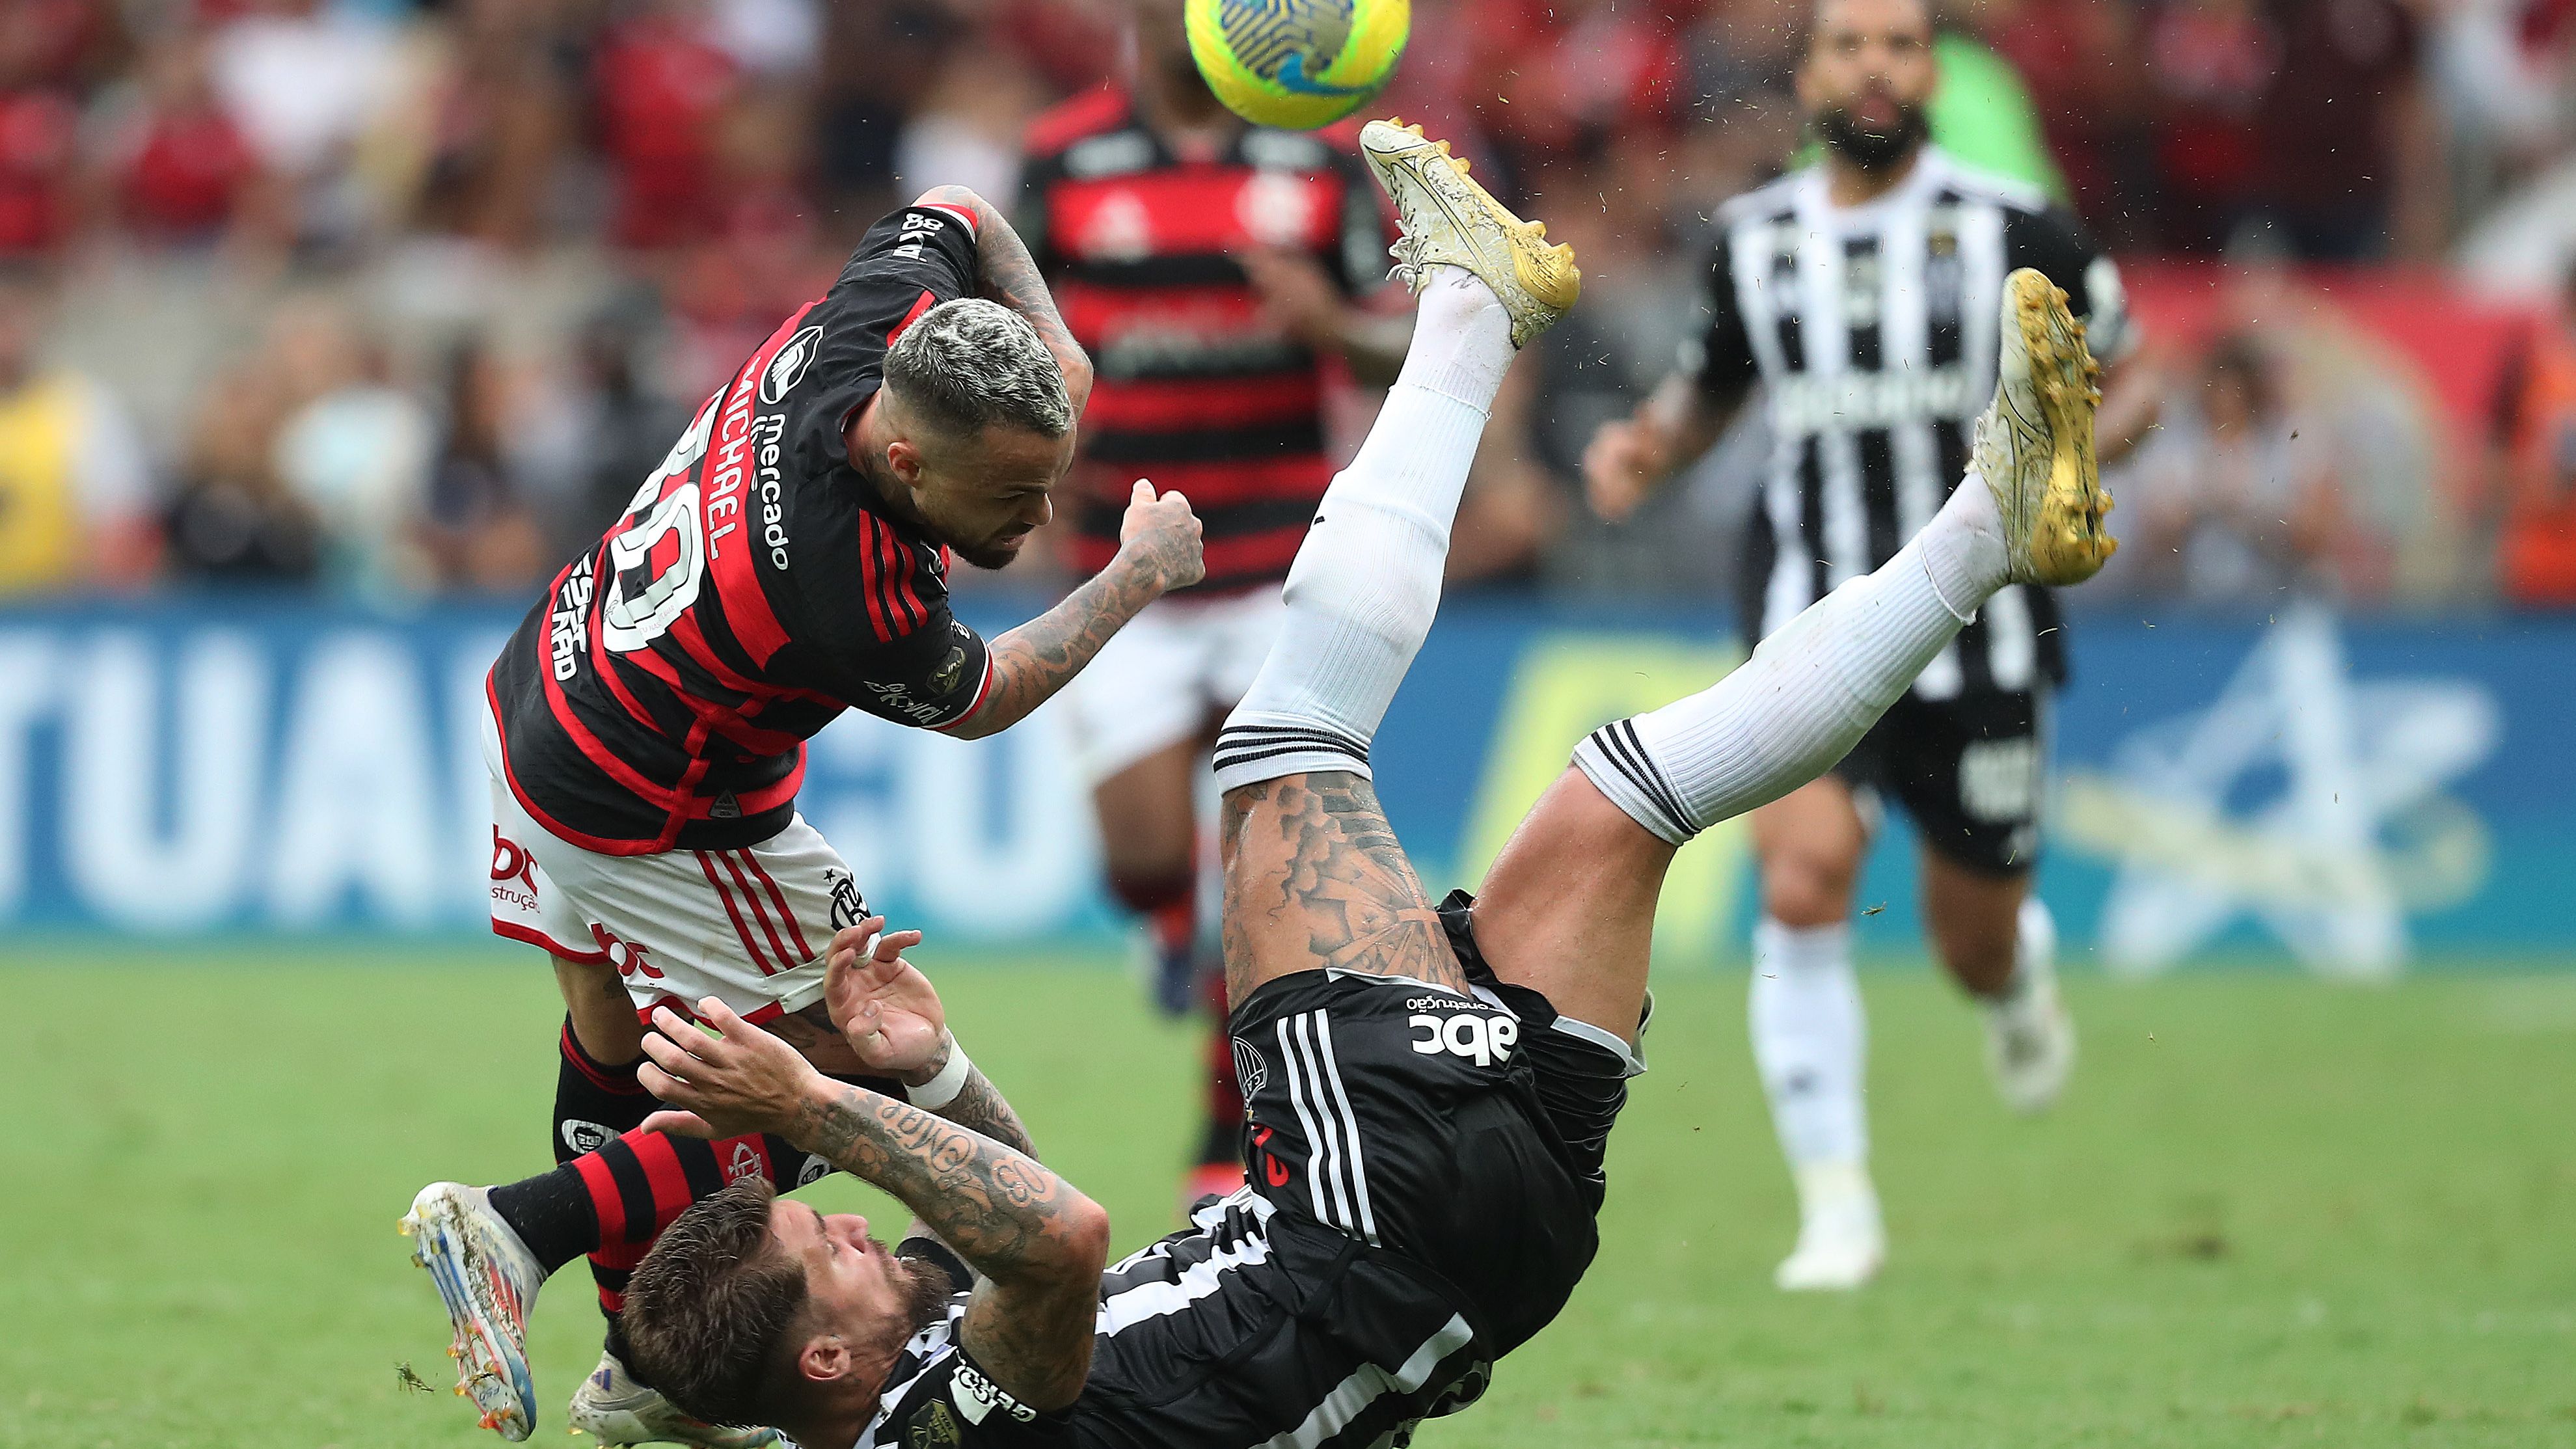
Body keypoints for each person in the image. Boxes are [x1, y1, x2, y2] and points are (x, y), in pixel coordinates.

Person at [403, 116, 2115, 1449]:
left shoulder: (912, 1354)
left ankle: (1987, 523)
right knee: (1281, 741)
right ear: (835, 1362)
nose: (848, 1226)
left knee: (1621, 797)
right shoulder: (929, 1426)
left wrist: (931, 1071)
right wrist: (816, 1110)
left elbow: (1018, 1224)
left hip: (1489, 1260)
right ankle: (1470, 305)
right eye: (826, 1247)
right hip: (1367, 1218)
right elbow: (1059, 1239)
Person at [471, 186, 1204, 1444]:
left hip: (555, 683)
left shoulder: (878, 320)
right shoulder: (841, 577)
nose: (1035, 522)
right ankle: (515, 1226)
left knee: (612, 1027)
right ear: (907, 460)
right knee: (840, 1064)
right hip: (662, 796)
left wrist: (1052, 340)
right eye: (1011, 497)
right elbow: (984, 697)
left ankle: (632, 1369)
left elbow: (956, 207)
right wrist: (1133, 575)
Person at [1584, 0, 2156, 1291]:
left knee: (1972, 942)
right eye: (1851, 46)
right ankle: (1837, 1205)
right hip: (1807, 610)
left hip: (1982, 630)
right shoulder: (1753, 239)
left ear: (1932, 70)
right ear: (1806, 76)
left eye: (1902, 46)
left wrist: (2072, 461)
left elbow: (2138, 374)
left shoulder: (2016, 225)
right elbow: (1709, 392)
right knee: (1801, 885)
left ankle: (2015, 979)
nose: (1878, 68)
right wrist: (1645, 446)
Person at [1016, 0, 1405, 1208]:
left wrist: (1330, 323)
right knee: (1144, 861)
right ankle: (1161, 917)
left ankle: (1218, 1143)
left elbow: (1404, 350)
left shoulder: (1320, 162)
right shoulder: (1062, 160)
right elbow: (1005, 339)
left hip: (1281, 566)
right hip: (1126, 563)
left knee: (1264, 875)